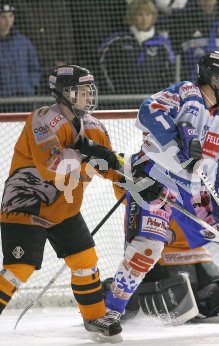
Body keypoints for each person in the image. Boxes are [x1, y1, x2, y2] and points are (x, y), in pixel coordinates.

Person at [103, 51, 219, 341]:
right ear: (214, 79)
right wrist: (177, 144)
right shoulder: (185, 93)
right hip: (156, 178)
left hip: (194, 188)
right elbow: (147, 111)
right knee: (148, 247)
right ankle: (111, 312)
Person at [0, 64, 145, 343]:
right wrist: (88, 153)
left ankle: (94, 317)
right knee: (20, 269)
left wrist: (135, 189)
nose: (88, 96)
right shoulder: (42, 119)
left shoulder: (93, 126)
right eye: (82, 91)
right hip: (27, 204)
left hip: (64, 209)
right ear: (64, 93)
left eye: (90, 90)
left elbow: (109, 167)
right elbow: (52, 164)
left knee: (85, 260)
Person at [98, 0, 175, 95]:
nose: (144, 18)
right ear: (132, 16)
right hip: (121, 99)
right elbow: (101, 66)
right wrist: (112, 92)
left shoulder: (162, 43)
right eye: (140, 14)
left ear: (153, 16)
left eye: (148, 14)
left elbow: (170, 72)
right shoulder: (116, 41)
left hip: (153, 102)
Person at [0, 3, 40, 111]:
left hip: (25, 98)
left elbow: (34, 67)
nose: (8, 21)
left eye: (10, 16)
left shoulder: (23, 42)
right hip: (3, 101)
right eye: (3, 17)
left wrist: (32, 86)